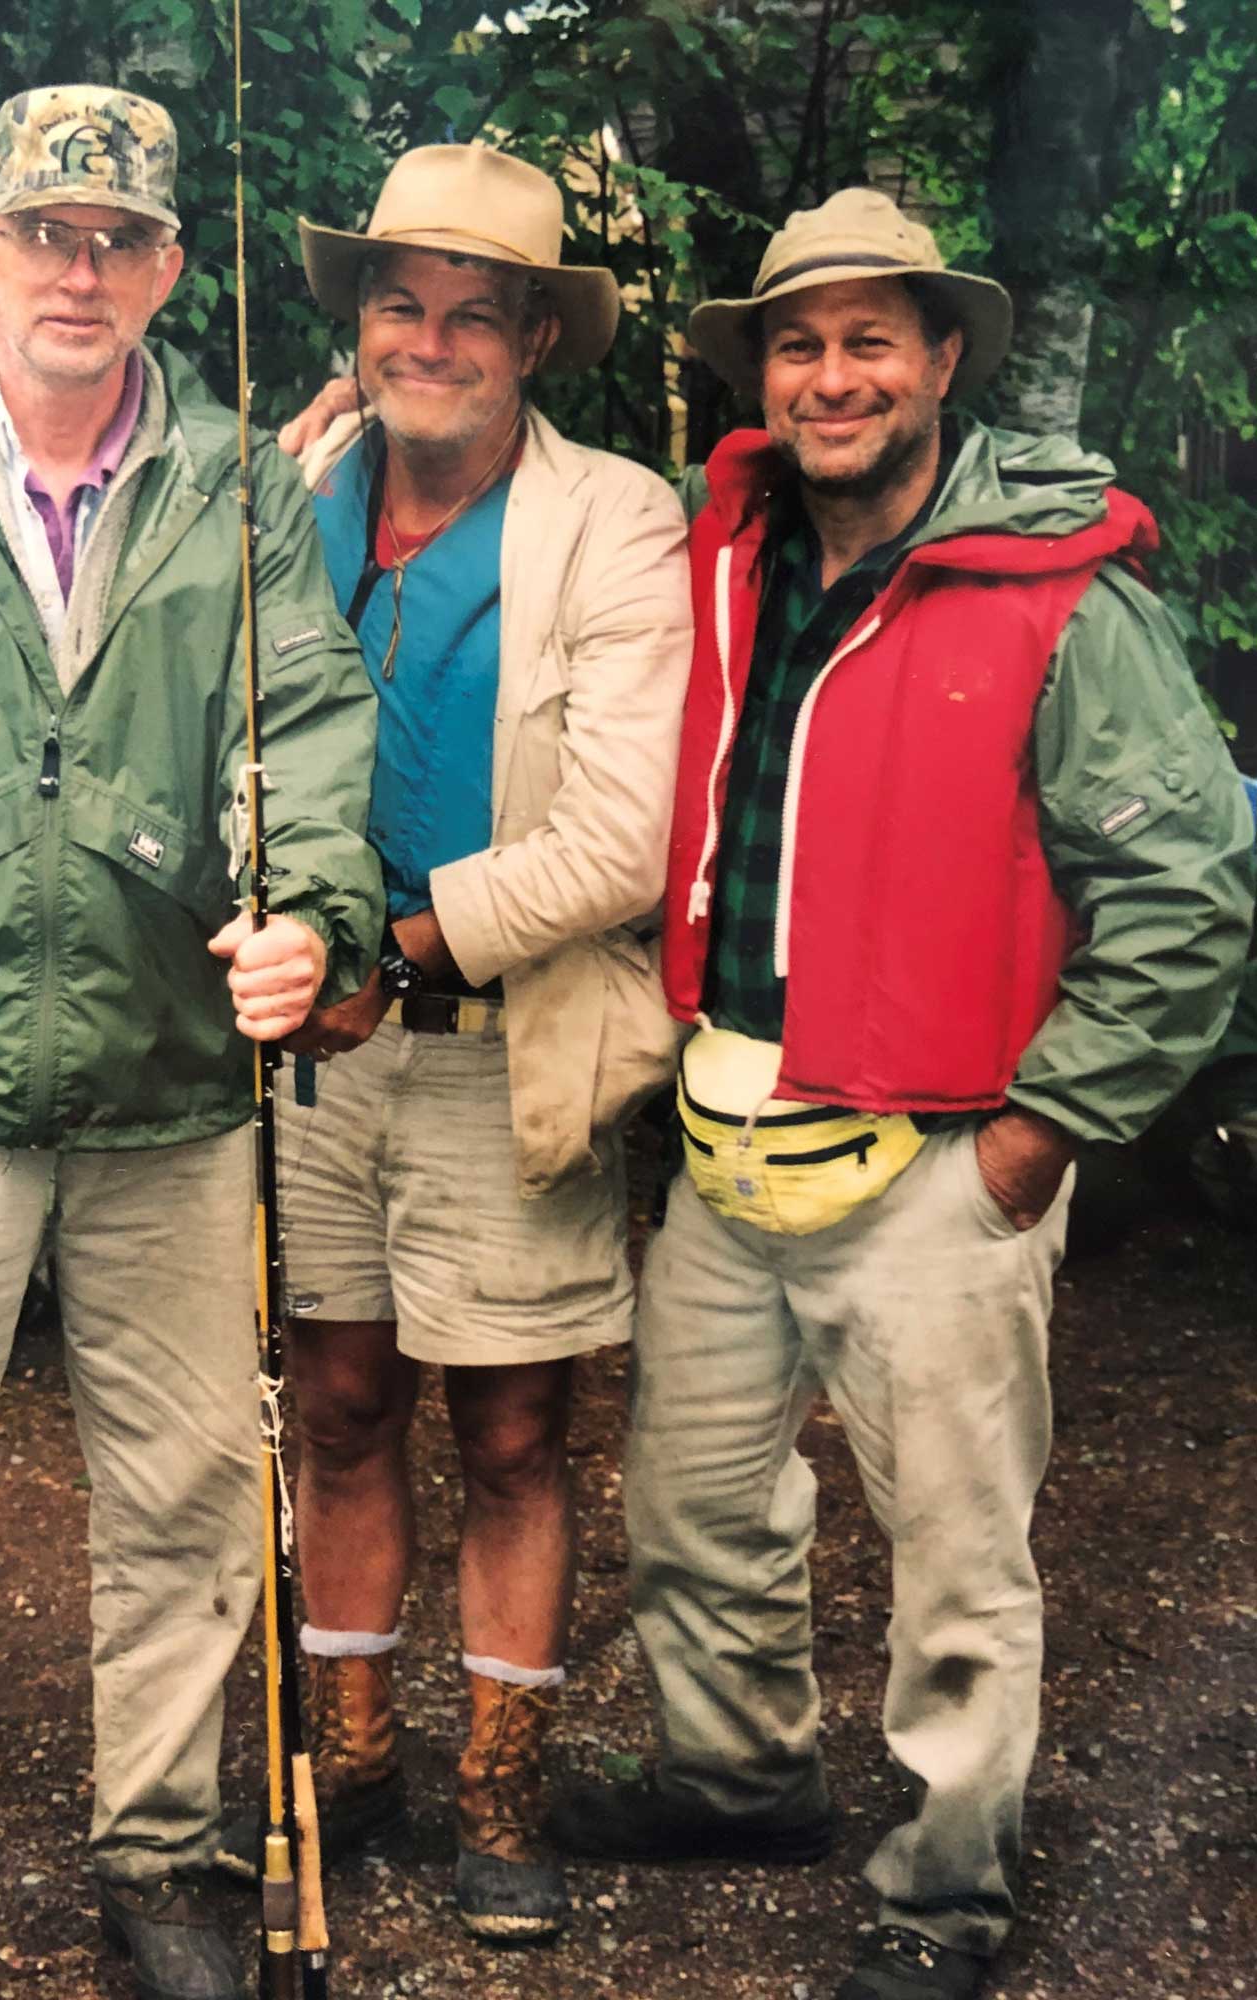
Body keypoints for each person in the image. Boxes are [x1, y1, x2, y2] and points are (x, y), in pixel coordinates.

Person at [547, 188, 1256, 2000]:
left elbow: (1187, 893)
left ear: (944, 360)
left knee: (954, 1545)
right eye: (801, 341)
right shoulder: (728, 553)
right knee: (697, 1502)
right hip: (727, 1130)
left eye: (874, 338)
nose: (834, 374)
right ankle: (738, 1780)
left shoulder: (1060, 594)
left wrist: (1046, 1126)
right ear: (762, 374)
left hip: (946, 1147)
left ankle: (944, 1891)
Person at [0, 85, 381, 2000]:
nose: (79, 271)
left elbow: (316, 734)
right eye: (44, 232)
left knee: (190, 1495)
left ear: (172, 267)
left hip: (174, 1090)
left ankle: (167, 1859)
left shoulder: (237, 483)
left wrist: (315, 923)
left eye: (119, 240)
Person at [214, 143, 692, 1941]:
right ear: (356, 322)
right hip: (313, 1051)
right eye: (398, 304)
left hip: (502, 1036)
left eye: (473, 311)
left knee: (510, 1429)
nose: (430, 339)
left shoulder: (616, 522)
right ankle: (352, 1758)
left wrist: (391, 944)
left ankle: (503, 1792)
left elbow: (622, 841)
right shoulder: (293, 483)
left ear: (535, 339)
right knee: (337, 1405)